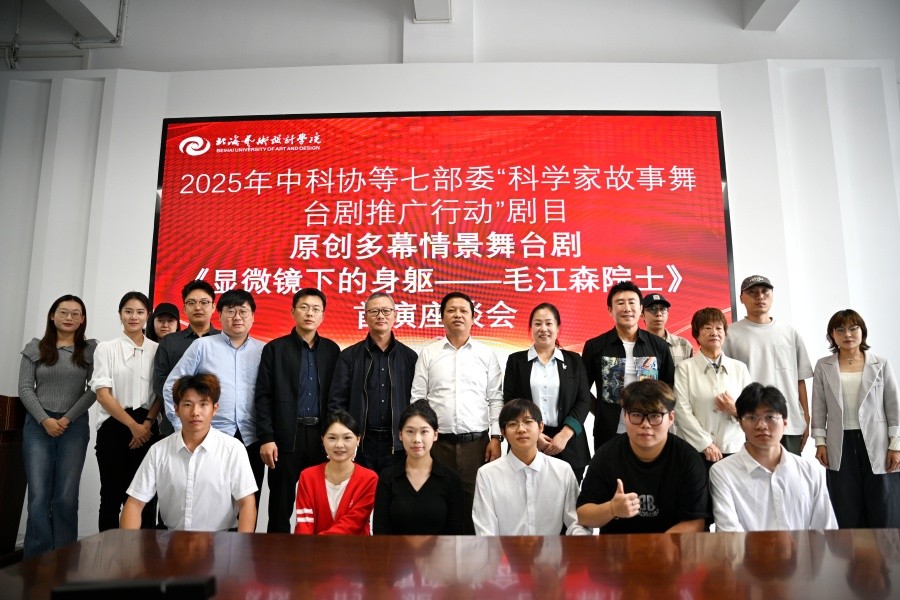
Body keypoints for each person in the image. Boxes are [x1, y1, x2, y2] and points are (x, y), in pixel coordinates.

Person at [410, 291, 503, 533]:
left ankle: (475, 556)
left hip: (477, 445)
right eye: (451, 310)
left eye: (463, 311)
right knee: (438, 505)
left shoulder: (486, 354)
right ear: (442, 317)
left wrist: (496, 437)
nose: (457, 315)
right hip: (438, 445)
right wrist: (423, 437)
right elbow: (418, 399)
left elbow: (495, 399)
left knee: (476, 507)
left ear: (473, 317)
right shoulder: (429, 353)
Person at [163, 289, 265, 506]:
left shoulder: (263, 350)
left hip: (252, 438)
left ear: (253, 316)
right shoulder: (203, 346)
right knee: (210, 503)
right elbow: (173, 384)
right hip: (211, 437)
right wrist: (181, 427)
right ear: (219, 315)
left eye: (243, 312)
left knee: (249, 503)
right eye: (230, 311)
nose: (237, 317)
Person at [122, 373, 257, 532]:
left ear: (215, 409)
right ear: (176, 409)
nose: (195, 412)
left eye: (203, 404)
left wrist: (241, 545)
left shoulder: (233, 449)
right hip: (171, 540)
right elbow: (134, 503)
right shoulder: (158, 450)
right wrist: (128, 544)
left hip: (222, 540)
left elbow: (247, 504)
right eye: (187, 404)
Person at [255, 288, 340, 533]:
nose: (309, 313)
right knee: (280, 506)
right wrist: (267, 437)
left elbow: (337, 397)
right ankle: (276, 554)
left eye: (315, 309)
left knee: (321, 504)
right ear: (293, 312)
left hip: (321, 438)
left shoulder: (332, 351)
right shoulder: (275, 349)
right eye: (304, 307)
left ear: (322, 315)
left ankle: (320, 553)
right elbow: (263, 396)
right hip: (285, 438)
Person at [18, 295, 97, 557]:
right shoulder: (35, 348)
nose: (69, 317)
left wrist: (66, 419)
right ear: (52, 316)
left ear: (82, 319)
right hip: (37, 426)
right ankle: (37, 560)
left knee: (66, 496)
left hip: (73, 427)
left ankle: (64, 559)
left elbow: (94, 389)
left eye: (75, 313)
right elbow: (25, 388)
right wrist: (45, 419)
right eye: (63, 312)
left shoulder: (90, 350)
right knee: (38, 495)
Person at [576, 379, 707, 533]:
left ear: (671, 417)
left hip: (670, 546)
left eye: (655, 415)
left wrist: (654, 546)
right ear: (625, 416)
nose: (645, 424)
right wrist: (612, 509)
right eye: (637, 415)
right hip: (619, 546)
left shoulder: (688, 459)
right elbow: (583, 515)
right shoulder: (606, 456)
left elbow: (695, 523)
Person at [811, 309, 900, 528]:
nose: (847, 334)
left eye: (853, 328)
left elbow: (893, 406)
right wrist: (820, 442)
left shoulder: (880, 364)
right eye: (840, 330)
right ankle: (851, 550)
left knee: (883, 501)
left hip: (878, 441)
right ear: (832, 335)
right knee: (845, 502)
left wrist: (896, 444)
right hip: (839, 440)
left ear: (863, 332)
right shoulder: (823, 365)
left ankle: (885, 549)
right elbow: (819, 406)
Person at [709, 382, 838, 531]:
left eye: (770, 417)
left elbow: (826, 530)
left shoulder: (809, 471)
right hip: (745, 548)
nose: (761, 425)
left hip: (802, 548)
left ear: (785, 423)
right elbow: (729, 532)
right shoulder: (723, 472)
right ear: (741, 424)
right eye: (752, 418)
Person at [90, 291, 161, 530]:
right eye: (128, 311)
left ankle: (145, 552)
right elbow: (102, 394)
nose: (134, 317)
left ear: (147, 315)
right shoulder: (106, 348)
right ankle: (109, 551)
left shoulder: (157, 349)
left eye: (140, 312)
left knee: (146, 498)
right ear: (120, 314)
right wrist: (133, 426)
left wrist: (146, 424)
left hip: (148, 425)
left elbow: (160, 393)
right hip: (114, 424)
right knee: (110, 496)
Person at [722, 275, 813, 455]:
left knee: (788, 471)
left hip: (788, 422)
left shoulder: (789, 332)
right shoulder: (730, 334)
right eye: (753, 292)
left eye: (765, 292)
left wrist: (806, 418)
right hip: (749, 422)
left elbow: (799, 379)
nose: (760, 297)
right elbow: (724, 380)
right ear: (741, 298)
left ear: (772, 296)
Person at [329, 292, 418, 473]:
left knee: (395, 491)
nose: (380, 316)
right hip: (361, 444)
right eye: (374, 311)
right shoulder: (349, 356)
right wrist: (343, 440)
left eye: (386, 311)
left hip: (397, 445)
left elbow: (415, 402)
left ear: (395, 315)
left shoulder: (409, 357)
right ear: (365, 317)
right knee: (362, 491)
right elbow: (337, 402)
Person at [473, 398, 589, 535]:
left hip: (551, 548)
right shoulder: (487, 474)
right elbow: (485, 531)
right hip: (505, 549)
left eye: (528, 422)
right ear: (503, 432)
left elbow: (576, 522)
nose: (521, 429)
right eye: (512, 424)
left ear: (541, 427)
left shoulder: (562, 470)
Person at [502, 302, 591, 482]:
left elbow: (584, 400)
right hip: (527, 442)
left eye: (549, 323)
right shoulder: (516, 361)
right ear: (531, 328)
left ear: (558, 328)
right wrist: (534, 434)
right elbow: (510, 402)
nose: (543, 329)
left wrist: (564, 435)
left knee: (569, 498)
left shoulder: (574, 360)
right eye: (538, 323)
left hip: (569, 445)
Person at [582, 281, 676, 451]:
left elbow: (669, 385)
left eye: (632, 302)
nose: (627, 308)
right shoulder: (595, 346)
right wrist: (602, 411)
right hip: (609, 433)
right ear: (610, 310)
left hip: (651, 431)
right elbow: (582, 389)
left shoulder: (658, 345)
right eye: (620, 303)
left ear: (640, 309)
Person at [372, 400, 466, 535]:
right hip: (396, 549)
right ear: (400, 435)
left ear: (435, 435)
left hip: (441, 549)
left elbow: (455, 534)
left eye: (424, 431)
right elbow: (381, 531)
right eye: (410, 431)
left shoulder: (451, 479)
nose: (416, 439)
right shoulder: (388, 477)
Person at [674, 307, 752, 465]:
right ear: (696, 334)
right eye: (707, 328)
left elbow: (752, 410)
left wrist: (735, 410)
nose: (714, 333)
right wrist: (706, 444)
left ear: (725, 333)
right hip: (696, 450)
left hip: (733, 449)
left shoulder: (740, 368)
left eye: (719, 328)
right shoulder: (684, 368)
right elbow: (681, 410)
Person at [153, 280, 220, 438]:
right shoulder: (169, 342)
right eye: (191, 302)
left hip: (218, 424)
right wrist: (185, 406)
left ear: (213, 307)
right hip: (176, 424)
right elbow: (159, 382)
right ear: (184, 308)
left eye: (204, 302)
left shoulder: (224, 340)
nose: (197, 307)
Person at [295, 410, 378, 535]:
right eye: (332, 438)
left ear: (358, 440)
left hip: (355, 547)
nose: (339, 445)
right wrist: (309, 546)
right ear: (322, 439)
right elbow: (304, 525)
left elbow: (353, 524)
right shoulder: (307, 476)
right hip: (313, 547)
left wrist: (318, 543)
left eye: (347, 438)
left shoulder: (369, 479)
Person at [641, 293, 693, 366]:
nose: (658, 314)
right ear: (642, 315)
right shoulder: (634, 345)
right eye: (652, 309)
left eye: (662, 309)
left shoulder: (684, 345)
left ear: (667, 314)